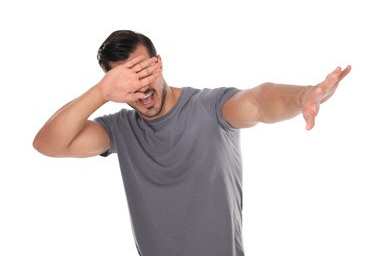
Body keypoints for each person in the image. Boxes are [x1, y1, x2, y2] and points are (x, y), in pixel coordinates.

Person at [33, 30, 351, 256]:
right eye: (125, 81)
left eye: (143, 72)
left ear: (159, 63)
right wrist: (101, 92)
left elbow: (259, 101)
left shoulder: (210, 107)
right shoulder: (120, 129)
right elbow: (48, 144)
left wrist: (303, 96)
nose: (140, 88)